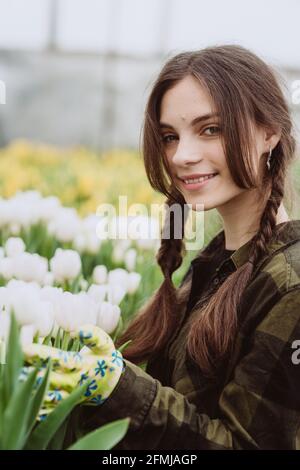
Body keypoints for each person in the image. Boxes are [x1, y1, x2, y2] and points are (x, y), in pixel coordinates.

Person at [25, 44, 300, 450]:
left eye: (211, 129)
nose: (181, 156)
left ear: (269, 133)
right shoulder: (215, 260)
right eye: (170, 136)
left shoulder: (289, 284)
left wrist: (117, 388)